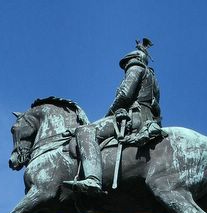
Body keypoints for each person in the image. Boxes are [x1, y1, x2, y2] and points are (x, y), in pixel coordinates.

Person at [64, 38, 161, 194]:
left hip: (133, 118)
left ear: (133, 59)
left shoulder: (135, 68)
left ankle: (92, 179)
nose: (125, 67)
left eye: (126, 63)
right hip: (148, 120)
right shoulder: (153, 79)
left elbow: (125, 95)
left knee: (85, 131)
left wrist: (108, 114)